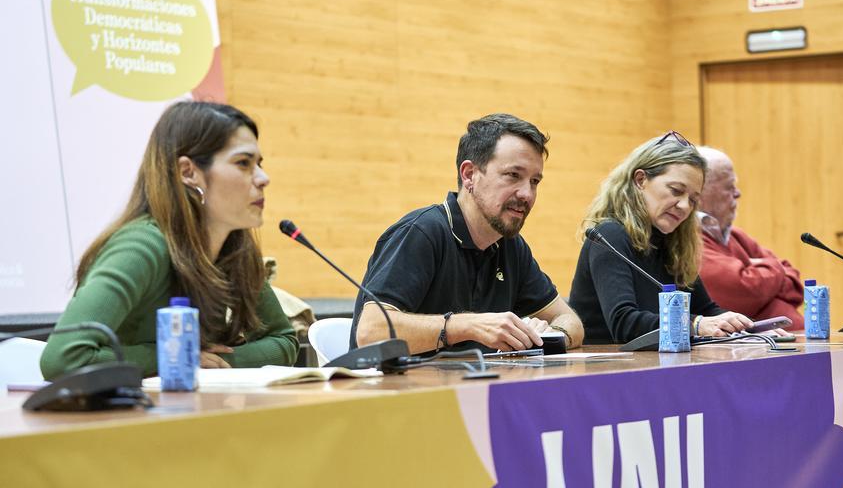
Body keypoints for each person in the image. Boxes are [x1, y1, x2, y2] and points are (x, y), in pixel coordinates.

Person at [40, 102, 299, 379]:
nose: (263, 178)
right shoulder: (142, 247)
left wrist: (214, 362)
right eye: (243, 163)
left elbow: (283, 340)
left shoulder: (234, 246)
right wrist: (177, 355)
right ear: (188, 172)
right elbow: (63, 358)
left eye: (259, 164)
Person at [351, 113, 584, 354]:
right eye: (513, 175)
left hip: (473, 387)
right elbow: (371, 332)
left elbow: (571, 322)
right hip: (399, 389)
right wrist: (466, 325)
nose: (527, 194)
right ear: (469, 174)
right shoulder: (422, 232)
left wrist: (549, 336)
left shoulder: (511, 246)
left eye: (534, 181)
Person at [569, 131, 758, 344]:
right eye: (676, 191)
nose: (685, 206)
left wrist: (752, 329)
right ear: (640, 180)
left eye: (694, 200)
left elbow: (706, 310)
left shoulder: (671, 244)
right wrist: (696, 324)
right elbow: (624, 323)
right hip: (607, 369)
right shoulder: (609, 235)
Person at [696, 146, 804, 330]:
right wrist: (775, 267)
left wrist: (758, 273)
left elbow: (795, 287)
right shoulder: (690, 240)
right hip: (752, 352)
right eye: (729, 187)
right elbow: (744, 293)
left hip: (790, 343)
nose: (738, 194)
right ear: (701, 191)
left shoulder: (735, 235)